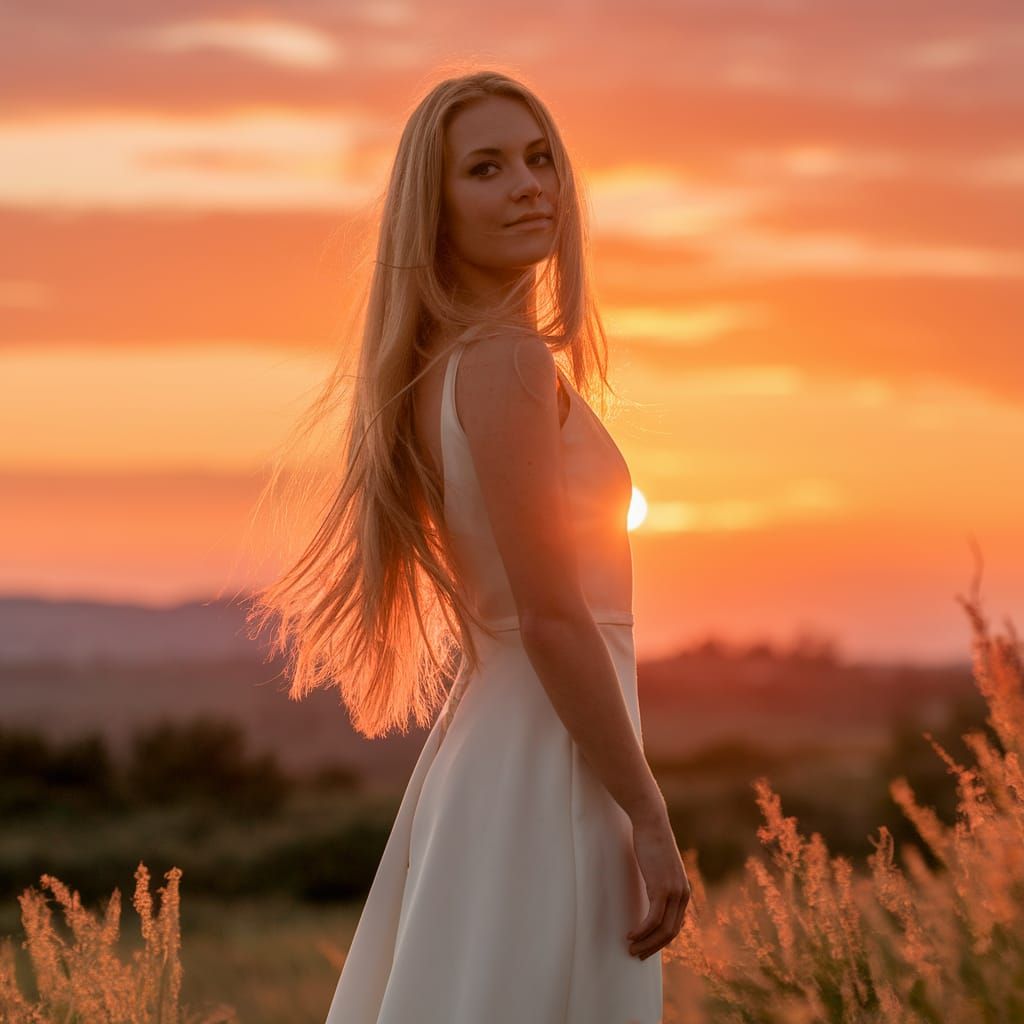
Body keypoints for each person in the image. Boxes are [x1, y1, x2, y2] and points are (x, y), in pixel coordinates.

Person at [246, 68, 689, 1024]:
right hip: (544, 765)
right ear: (434, 213)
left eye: (539, 159)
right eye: (485, 169)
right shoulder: (505, 363)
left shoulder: (454, 368)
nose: (530, 185)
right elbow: (552, 618)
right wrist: (649, 818)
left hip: (499, 753)